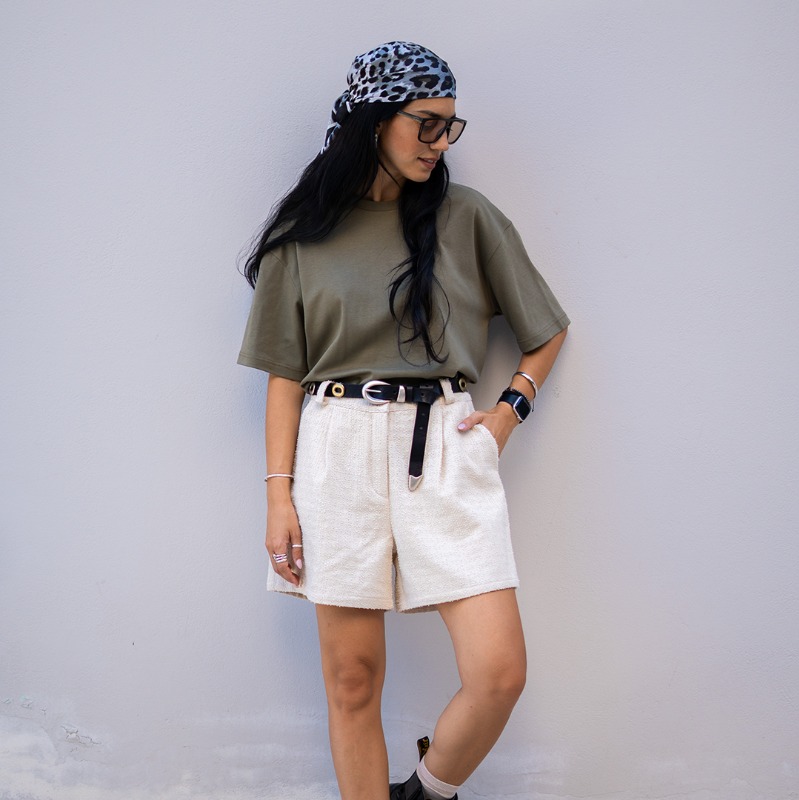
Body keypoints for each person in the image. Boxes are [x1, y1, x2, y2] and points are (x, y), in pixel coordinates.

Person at [238, 41, 569, 800]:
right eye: (426, 122)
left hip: (445, 444)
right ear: (373, 120)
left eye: (451, 126)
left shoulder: (466, 217)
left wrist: (508, 413)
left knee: (498, 673)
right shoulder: (304, 235)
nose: (441, 141)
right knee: (353, 680)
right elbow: (285, 375)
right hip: (336, 448)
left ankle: (426, 791)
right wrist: (278, 495)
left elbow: (546, 330)